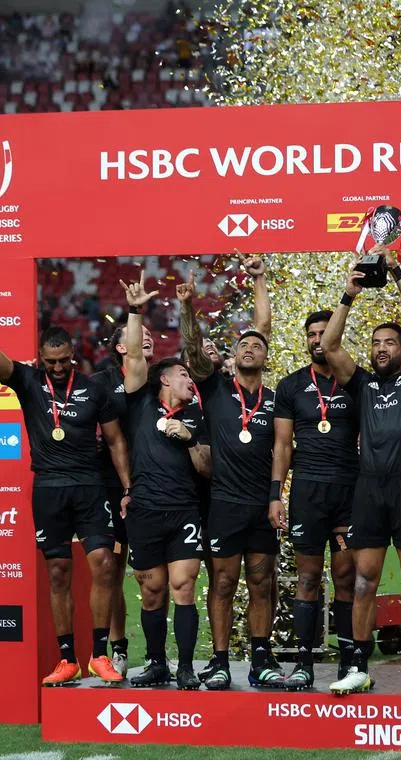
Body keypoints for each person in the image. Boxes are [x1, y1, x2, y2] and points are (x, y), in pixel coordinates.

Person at [0, 275, 130, 686]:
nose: (58, 368)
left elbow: (115, 442)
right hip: (48, 488)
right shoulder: (27, 381)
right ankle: (67, 659)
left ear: (73, 356)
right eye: (51, 362)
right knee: (58, 572)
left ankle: (99, 654)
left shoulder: (94, 389)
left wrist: (128, 487)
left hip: (90, 487)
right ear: (41, 358)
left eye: (64, 361)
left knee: (104, 563)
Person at [322, 247, 401, 696]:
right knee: (362, 582)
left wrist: (397, 272)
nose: (380, 348)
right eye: (375, 343)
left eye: (389, 342)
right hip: (369, 490)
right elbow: (330, 346)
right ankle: (358, 666)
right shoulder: (363, 383)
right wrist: (348, 295)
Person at [178, 258, 281, 690]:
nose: (249, 347)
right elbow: (192, 351)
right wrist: (187, 309)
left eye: (257, 345)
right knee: (222, 582)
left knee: (262, 582)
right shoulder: (216, 388)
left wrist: (259, 280)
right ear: (234, 356)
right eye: (243, 344)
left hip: (262, 505)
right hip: (223, 503)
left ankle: (260, 658)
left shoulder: (276, 400)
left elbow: (263, 325)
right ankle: (220, 661)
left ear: (266, 355)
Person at [119, 274, 211, 690]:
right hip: (145, 511)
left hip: (184, 511)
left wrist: (190, 438)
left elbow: (207, 467)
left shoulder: (198, 415)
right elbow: (135, 359)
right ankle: (157, 663)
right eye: (184, 376)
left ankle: (186, 666)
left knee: (183, 586)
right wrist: (135, 311)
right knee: (152, 589)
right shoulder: (140, 401)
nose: (191, 382)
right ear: (165, 380)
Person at [271, 308, 361, 690]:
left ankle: (350, 664)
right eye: (312, 334)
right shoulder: (291, 386)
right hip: (307, 492)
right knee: (307, 577)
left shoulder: (355, 383)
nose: (318, 339)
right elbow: (282, 445)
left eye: (324, 332)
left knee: (346, 576)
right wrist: (276, 494)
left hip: (349, 492)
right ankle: (304, 664)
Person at [89, 318, 155, 678]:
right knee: (112, 570)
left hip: (157, 483)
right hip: (111, 486)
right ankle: (118, 649)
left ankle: (157, 655)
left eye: (149, 335)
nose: (147, 337)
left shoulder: (162, 378)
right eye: (138, 334)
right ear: (120, 347)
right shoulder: (100, 382)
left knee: (152, 573)